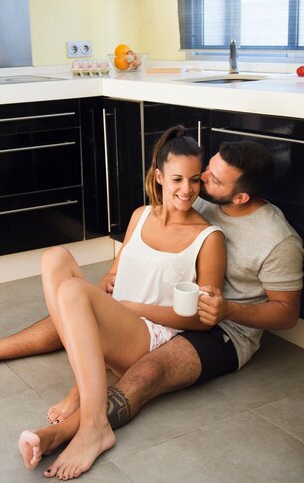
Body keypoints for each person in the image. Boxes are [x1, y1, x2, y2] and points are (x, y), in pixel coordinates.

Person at [0, 138, 303, 478]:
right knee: (66, 280)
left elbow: (285, 314)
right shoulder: (196, 197)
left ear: (239, 197)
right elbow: (144, 240)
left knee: (146, 371)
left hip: (225, 327)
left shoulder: (275, 240)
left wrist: (226, 311)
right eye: (202, 171)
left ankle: (81, 428)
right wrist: (113, 278)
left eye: (207, 178)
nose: (198, 183)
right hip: (173, 307)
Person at [16, 126, 225, 478]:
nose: (186, 189)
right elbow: (118, 271)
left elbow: (204, 320)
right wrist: (109, 283)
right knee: (54, 258)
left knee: (72, 292)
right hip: (120, 320)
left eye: (194, 180)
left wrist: (129, 308)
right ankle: (84, 386)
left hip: (151, 335)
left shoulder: (209, 237)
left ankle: (95, 425)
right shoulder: (139, 216)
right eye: (176, 179)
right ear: (159, 177)